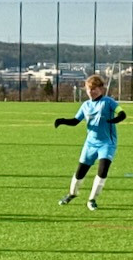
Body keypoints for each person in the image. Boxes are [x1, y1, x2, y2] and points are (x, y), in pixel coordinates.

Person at [54, 74, 127, 210]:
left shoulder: (108, 102)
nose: (91, 92)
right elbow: (76, 121)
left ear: (101, 89)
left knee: (103, 170)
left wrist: (116, 119)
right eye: (88, 89)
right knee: (80, 172)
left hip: (107, 143)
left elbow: (122, 113)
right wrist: (62, 120)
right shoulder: (85, 105)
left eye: (94, 89)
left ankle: (92, 199)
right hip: (90, 144)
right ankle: (72, 193)